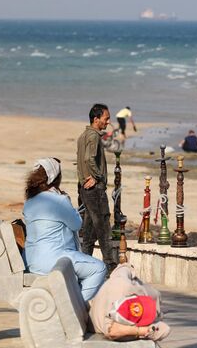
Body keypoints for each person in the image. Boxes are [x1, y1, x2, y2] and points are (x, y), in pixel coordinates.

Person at [23, 157, 106, 301]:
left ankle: (74, 302)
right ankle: (77, 306)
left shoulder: (30, 202)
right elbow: (76, 224)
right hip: (54, 260)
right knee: (99, 269)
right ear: (56, 178)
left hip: (32, 261)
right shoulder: (59, 200)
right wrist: (66, 201)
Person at [77, 103, 117, 274]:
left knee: (89, 229)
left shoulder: (83, 135)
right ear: (96, 119)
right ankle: (110, 265)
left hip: (84, 189)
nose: (108, 122)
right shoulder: (93, 136)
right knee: (103, 226)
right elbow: (88, 159)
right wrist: (97, 176)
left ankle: (83, 263)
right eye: (106, 119)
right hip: (94, 190)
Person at [89, 263, 171, 342]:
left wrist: (139, 331)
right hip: (142, 293)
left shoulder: (123, 284)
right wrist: (139, 331)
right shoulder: (119, 329)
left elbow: (124, 267)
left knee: (155, 295)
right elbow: (164, 330)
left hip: (141, 291)